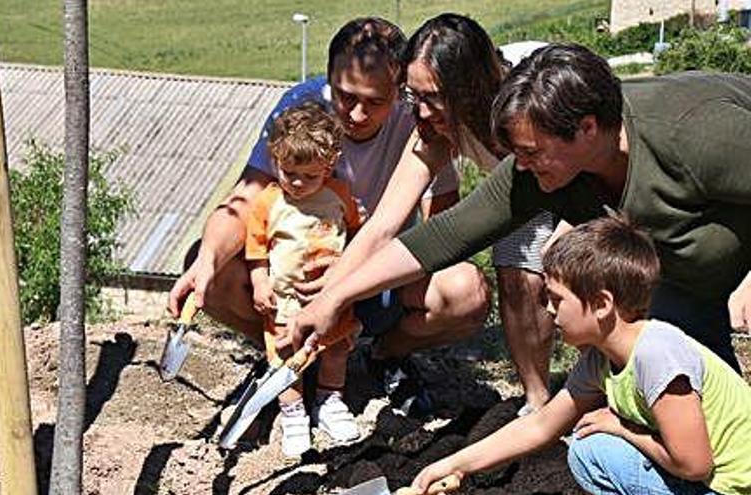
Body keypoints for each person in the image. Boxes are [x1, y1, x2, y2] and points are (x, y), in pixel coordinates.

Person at [290, 43, 751, 373]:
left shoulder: (695, 131)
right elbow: (447, 234)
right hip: (687, 282)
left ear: (586, 128)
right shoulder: (544, 168)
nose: (521, 165)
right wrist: (337, 296)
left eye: (531, 152)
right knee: (697, 404)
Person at [167, 18, 489, 390]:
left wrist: (349, 279)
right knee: (208, 265)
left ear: (400, 91)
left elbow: (443, 225)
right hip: (294, 277)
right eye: (345, 96)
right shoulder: (301, 107)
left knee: (467, 291)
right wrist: (207, 261)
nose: (355, 115)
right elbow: (244, 198)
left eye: (374, 102)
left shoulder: (419, 121)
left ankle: (384, 354)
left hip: (381, 279)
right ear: (328, 78)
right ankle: (283, 349)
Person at [406, 216, 751, 495]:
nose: (550, 311)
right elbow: (541, 425)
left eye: (557, 299)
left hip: (730, 485)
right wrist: (453, 465)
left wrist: (624, 428)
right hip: (705, 478)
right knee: (589, 452)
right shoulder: (601, 358)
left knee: (599, 446)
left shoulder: (657, 354)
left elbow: (694, 464)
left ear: (602, 304)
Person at [322, 13, 557, 413]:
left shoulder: (531, 94)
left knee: (576, 272)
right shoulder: (430, 126)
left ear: (470, 89)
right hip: (521, 183)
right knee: (516, 273)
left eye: (432, 97)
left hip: (575, 173)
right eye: (412, 96)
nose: (421, 111)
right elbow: (384, 224)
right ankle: (537, 402)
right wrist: (328, 300)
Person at [246, 102, 362, 457]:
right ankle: (293, 413)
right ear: (275, 160)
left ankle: (329, 400)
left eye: (309, 176)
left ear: (329, 165)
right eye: (288, 172)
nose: (297, 183)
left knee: (336, 349)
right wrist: (259, 283)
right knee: (286, 355)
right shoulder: (268, 201)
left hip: (332, 296)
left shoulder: (339, 195)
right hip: (286, 300)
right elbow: (256, 250)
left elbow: (357, 234)